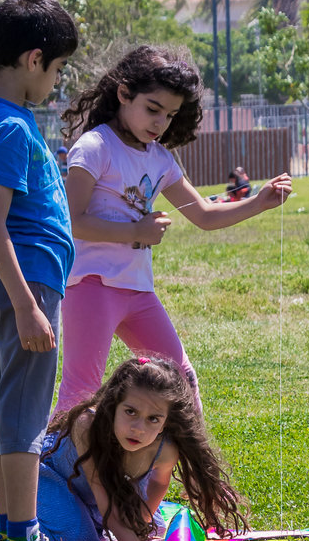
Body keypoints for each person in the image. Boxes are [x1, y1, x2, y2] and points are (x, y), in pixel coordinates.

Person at [55, 45, 293, 415]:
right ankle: (55, 472)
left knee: (181, 381)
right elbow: (73, 222)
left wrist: (259, 203)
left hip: (138, 290)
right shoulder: (94, 147)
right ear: (123, 94)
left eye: (170, 115)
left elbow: (204, 215)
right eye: (153, 109)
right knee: (81, 392)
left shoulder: (160, 157)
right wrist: (137, 231)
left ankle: (184, 473)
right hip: (91, 286)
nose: (160, 123)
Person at [0, 0, 94, 541]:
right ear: (34, 59)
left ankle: (13, 535)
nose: (56, 82)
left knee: (9, 412)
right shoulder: (11, 125)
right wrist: (28, 305)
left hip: (7, 281)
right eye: (58, 69)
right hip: (25, 282)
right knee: (27, 419)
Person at [32, 357, 246, 541]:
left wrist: (141, 522)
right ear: (113, 406)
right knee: (81, 540)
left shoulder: (165, 450)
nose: (138, 428)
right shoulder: (86, 428)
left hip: (94, 499)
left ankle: (86, 517)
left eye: (153, 419)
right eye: (130, 412)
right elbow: (108, 509)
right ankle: (2, 504)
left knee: (154, 529)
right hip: (50, 479)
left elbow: (159, 483)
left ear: (164, 424)